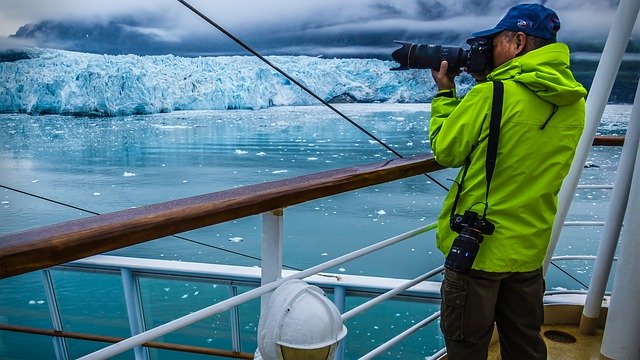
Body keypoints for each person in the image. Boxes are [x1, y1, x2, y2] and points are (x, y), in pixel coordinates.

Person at [429, 3, 587, 360]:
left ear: (517, 41)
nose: (486, 52)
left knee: (467, 346)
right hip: (529, 247)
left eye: (494, 42)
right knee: (525, 344)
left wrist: (444, 95)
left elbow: (446, 150)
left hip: (479, 250)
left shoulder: (491, 95)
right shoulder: (574, 101)